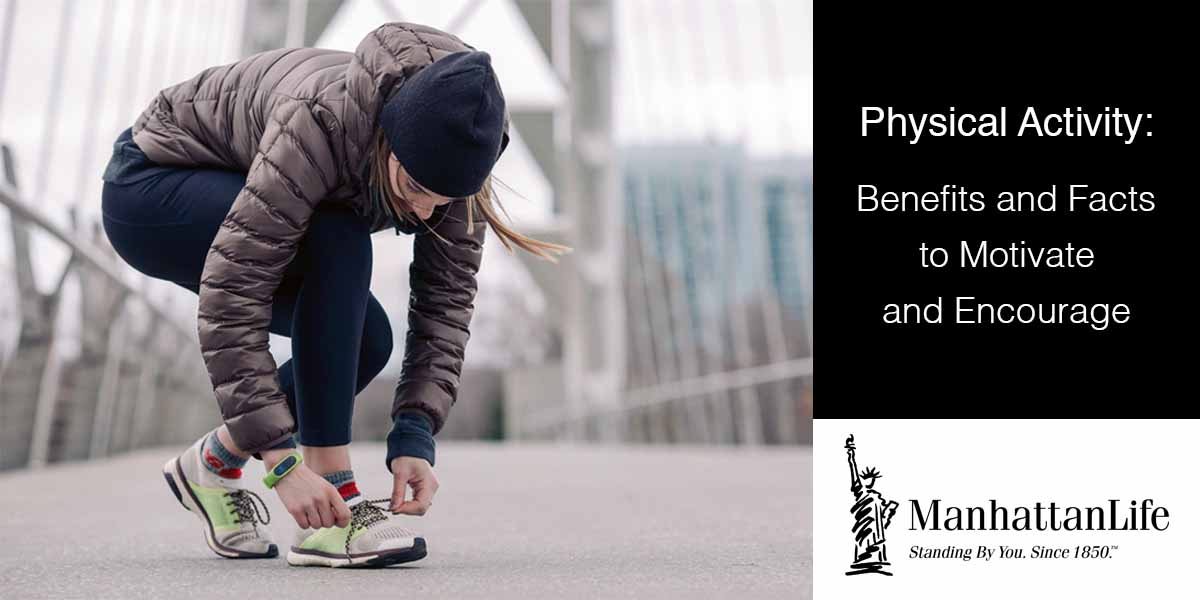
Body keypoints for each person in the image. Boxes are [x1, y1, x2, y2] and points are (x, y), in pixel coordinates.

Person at [100, 22, 567, 568]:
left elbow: (445, 304)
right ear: (389, 141)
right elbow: (234, 294)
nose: (424, 213)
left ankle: (212, 462)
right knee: (339, 234)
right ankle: (335, 500)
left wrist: (415, 434)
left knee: (366, 339)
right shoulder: (318, 123)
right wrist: (280, 462)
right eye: (415, 189)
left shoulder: (462, 151)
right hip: (152, 186)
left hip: (241, 196)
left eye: (444, 200)